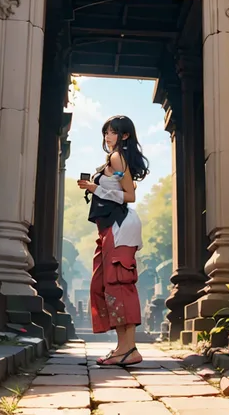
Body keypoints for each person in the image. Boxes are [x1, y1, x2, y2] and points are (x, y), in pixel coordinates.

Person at [77, 115, 149, 367]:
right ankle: (123, 347)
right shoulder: (115, 160)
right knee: (103, 285)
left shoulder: (117, 157)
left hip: (120, 227)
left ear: (125, 135)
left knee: (118, 283)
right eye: (106, 132)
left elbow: (128, 195)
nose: (108, 137)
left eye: (114, 132)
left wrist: (94, 188)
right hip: (110, 227)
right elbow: (126, 185)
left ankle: (129, 350)